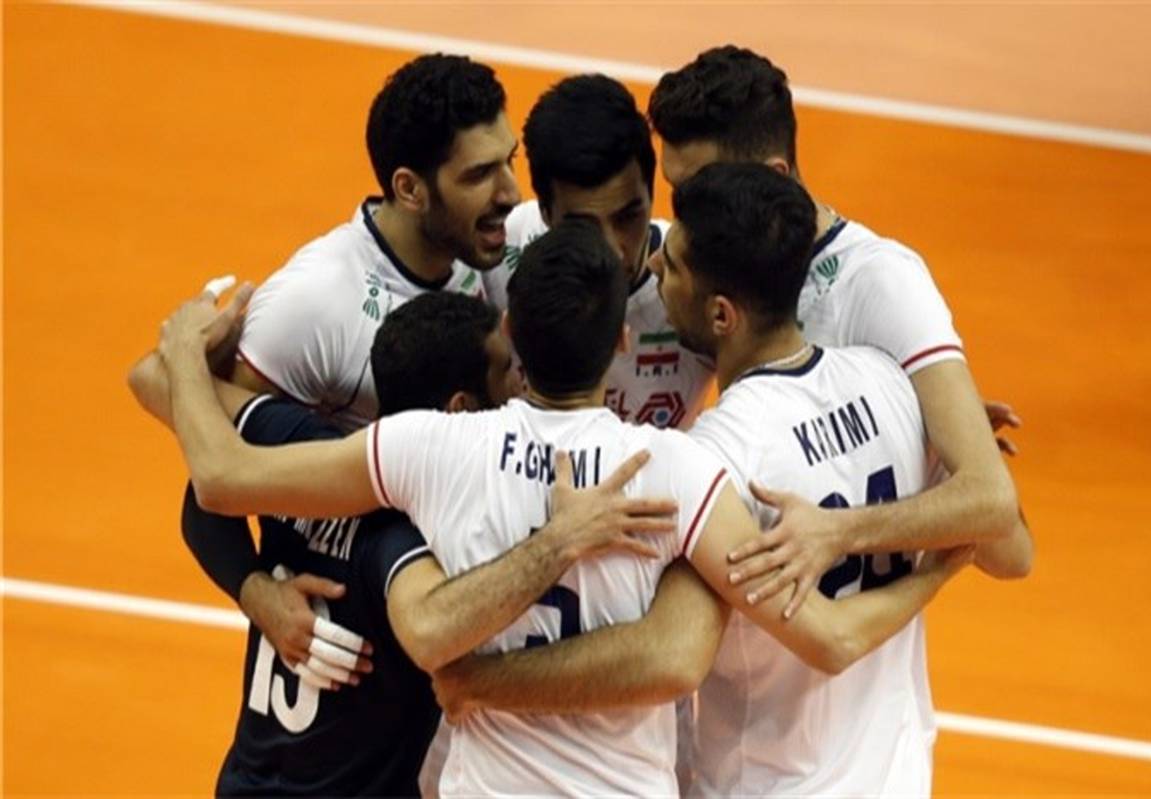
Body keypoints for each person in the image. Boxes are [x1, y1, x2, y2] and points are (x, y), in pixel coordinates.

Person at [153, 219, 967, 796]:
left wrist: (186, 354)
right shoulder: (679, 469)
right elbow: (828, 638)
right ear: (621, 343)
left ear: (510, 330)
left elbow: (221, 478)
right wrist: (939, 563)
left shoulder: (428, 446)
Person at [428, 164, 1029, 797]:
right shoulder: (892, 385)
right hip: (900, 779)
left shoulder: (715, 458)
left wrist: (480, 681)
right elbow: (1011, 550)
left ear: (721, 314)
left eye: (673, 266)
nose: (653, 268)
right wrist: (933, 537)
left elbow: (668, 654)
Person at [129, 289, 676, 795]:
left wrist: (252, 587)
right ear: (460, 409)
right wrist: (559, 541)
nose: (521, 385)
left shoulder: (304, 455)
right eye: (506, 372)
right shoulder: (419, 533)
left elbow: (202, 481)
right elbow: (430, 628)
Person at [646, 44, 1029, 611]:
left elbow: (1000, 524)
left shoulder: (880, 283)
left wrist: (841, 528)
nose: (684, 215)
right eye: (676, 193)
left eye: (697, 189)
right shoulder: (690, 266)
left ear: (773, 176)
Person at [185, 53, 523, 693]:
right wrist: (255, 591)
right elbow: (213, 476)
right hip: (357, 654)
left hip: (465, 615)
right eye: (480, 174)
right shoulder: (314, 304)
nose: (510, 193)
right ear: (409, 188)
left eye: (510, 160)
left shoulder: (497, 249)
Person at [483, 73, 713, 429]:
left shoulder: (700, 280)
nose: (613, 251)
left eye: (628, 217)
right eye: (583, 225)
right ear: (545, 212)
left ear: (652, 196)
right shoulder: (496, 258)